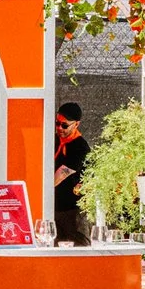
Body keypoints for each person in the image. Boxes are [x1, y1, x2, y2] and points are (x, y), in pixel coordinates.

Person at [52, 102, 90, 245]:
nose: (59, 128)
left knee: (78, 246)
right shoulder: (53, 140)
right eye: (57, 123)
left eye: (64, 125)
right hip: (55, 207)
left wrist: (42, 192)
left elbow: (62, 173)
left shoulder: (80, 146)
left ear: (76, 124)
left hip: (73, 210)